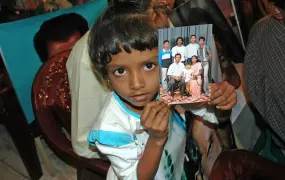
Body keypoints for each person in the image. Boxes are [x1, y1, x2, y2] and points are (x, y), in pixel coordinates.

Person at [86, 1, 237, 179]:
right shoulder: (111, 128)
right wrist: (156, 139)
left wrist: (221, 102)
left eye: (149, 66)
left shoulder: (172, 80)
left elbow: (210, 115)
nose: (136, 84)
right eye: (120, 71)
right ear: (106, 74)